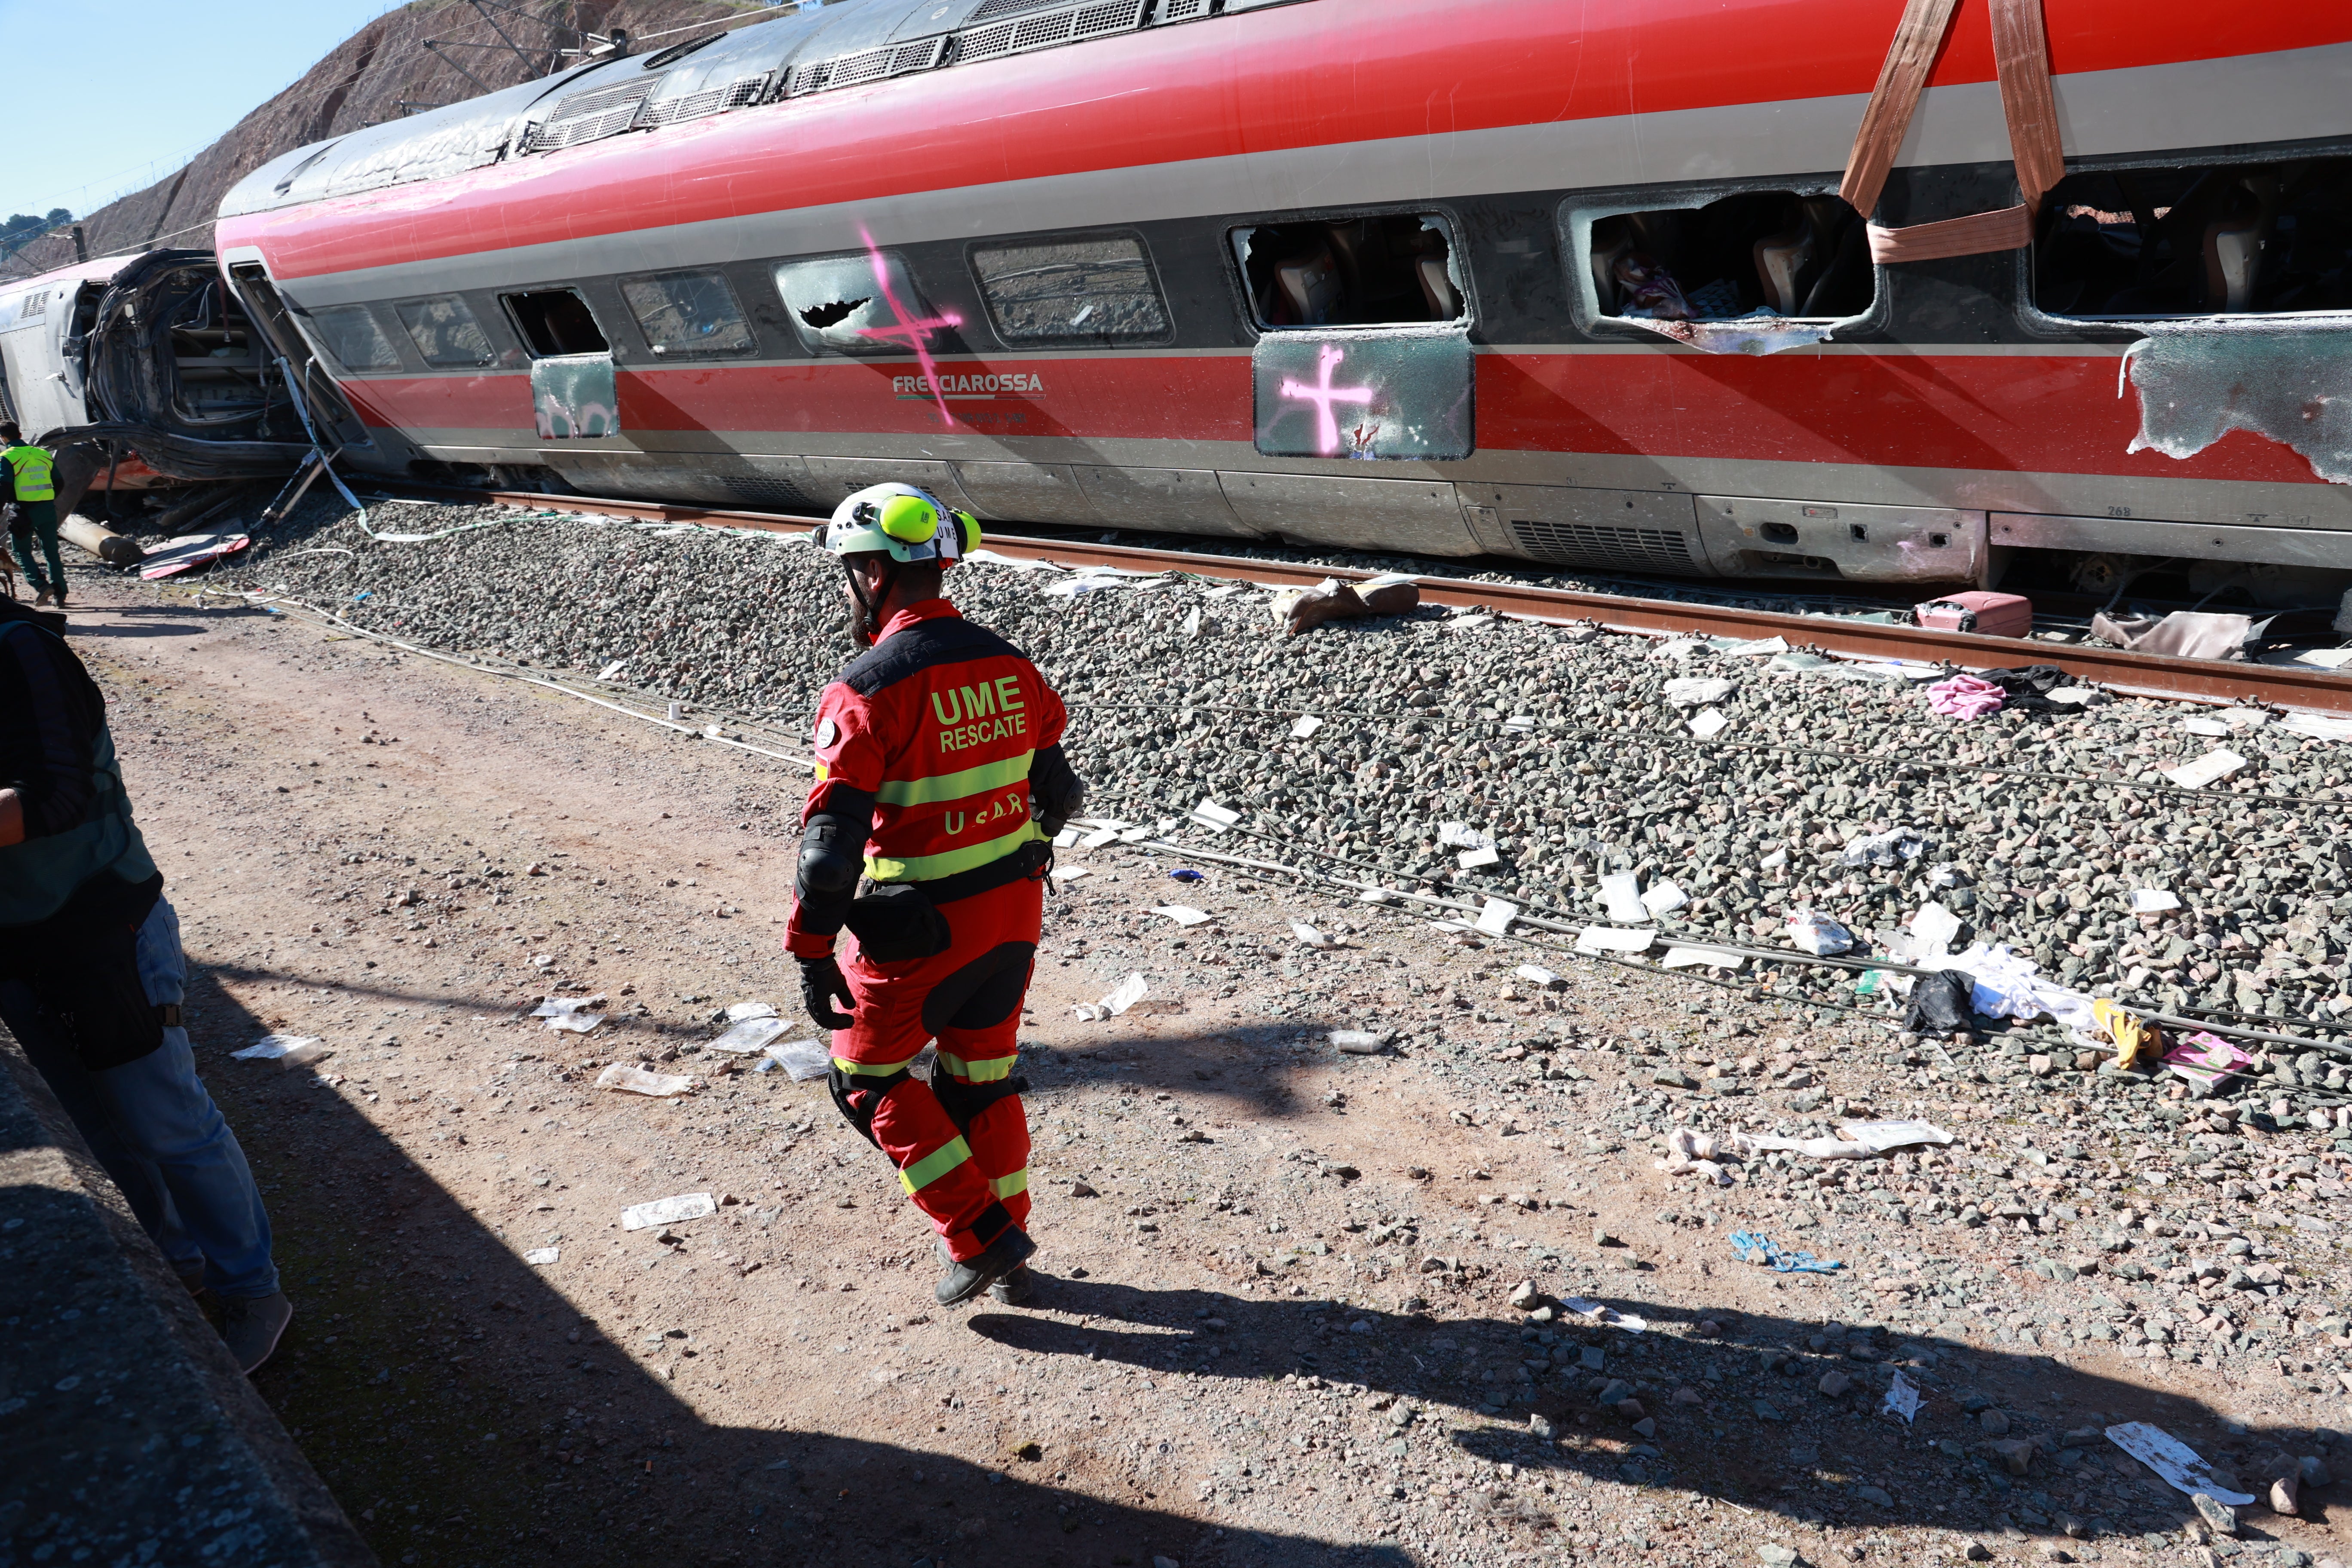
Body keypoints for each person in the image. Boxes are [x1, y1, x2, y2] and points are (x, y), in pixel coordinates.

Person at [787, 483, 1085, 1307]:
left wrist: (812, 952)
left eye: (852, 570)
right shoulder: (1009, 663)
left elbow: (826, 860)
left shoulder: (866, 688)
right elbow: (1059, 794)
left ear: (875, 577)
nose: (850, 585)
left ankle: (981, 1237)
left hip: (917, 933)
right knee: (980, 1081)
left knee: (867, 1080)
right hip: (1013, 918)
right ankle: (1013, 1247)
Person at [0, 593, 290, 1370]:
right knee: (99, 1130)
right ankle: (183, 1275)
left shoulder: (22, 648)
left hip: (103, 931)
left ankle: (254, 1291)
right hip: (18, 942)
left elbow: (57, 797)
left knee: (167, 1124)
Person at [1, 423, 67, 609]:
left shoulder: (7, 457)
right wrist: (47, 499)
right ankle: (60, 595)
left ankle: (41, 585)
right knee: (52, 553)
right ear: (20, 434)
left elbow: (4, 485)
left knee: (21, 551)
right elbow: (59, 482)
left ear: (3, 439)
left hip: (23, 511)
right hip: (47, 510)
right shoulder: (42, 454)